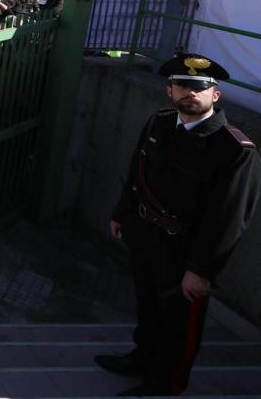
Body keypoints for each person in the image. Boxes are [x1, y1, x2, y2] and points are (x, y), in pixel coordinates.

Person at [95, 54, 259, 396]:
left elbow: (229, 218)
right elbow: (138, 172)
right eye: (182, 86)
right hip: (146, 235)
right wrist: (121, 213)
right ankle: (142, 358)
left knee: (180, 324)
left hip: (186, 251)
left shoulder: (235, 149)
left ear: (215, 94)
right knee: (148, 305)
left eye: (199, 88)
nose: (189, 94)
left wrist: (200, 269)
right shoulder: (160, 122)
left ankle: (166, 383)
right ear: (169, 90)